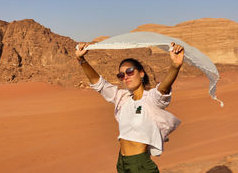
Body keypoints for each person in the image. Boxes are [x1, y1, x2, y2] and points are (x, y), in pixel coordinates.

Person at [75, 42, 185, 173]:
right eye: (121, 75)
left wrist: (175, 66)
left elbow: (163, 88)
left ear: (142, 73)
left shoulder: (150, 99)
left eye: (130, 71)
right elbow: (99, 84)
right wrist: (81, 60)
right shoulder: (122, 98)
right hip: (122, 163)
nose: (125, 77)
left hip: (139, 164)